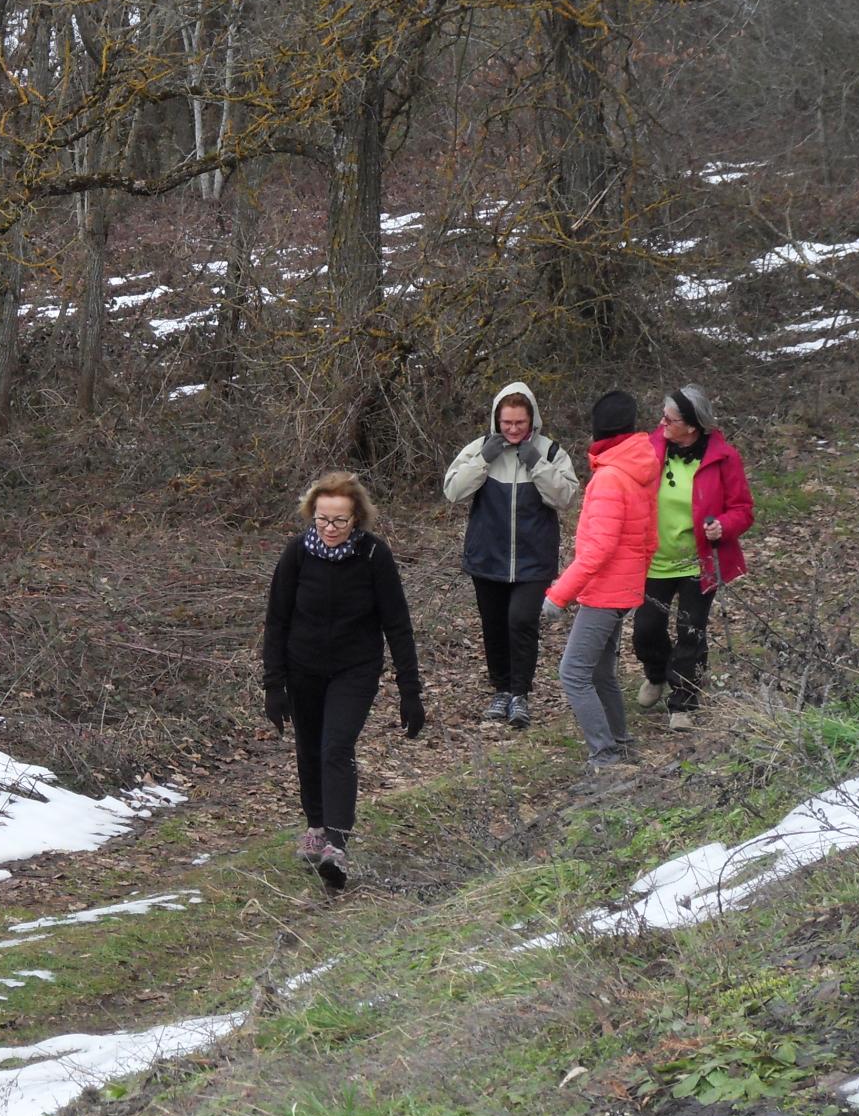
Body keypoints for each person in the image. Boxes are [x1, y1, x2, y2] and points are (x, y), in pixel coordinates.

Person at [261, 472, 425, 889]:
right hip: (303, 669)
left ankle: (336, 842)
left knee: (336, 747)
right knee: (309, 750)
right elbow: (277, 620)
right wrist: (273, 685)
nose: (330, 530)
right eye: (322, 520)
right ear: (311, 515)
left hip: (355, 669)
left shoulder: (373, 556)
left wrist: (410, 690)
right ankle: (316, 826)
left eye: (340, 521)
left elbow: (397, 623)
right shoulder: (298, 553)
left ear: (357, 519)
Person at [442, 380, 580, 730]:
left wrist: (536, 464)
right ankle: (501, 689)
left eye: (520, 423)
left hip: (534, 559)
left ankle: (520, 693)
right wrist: (484, 459)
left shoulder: (550, 452)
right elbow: (453, 491)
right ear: (496, 420)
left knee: (521, 621)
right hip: (488, 556)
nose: (514, 429)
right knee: (494, 626)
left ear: (532, 420)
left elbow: (565, 498)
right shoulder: (478, 448)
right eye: (507, 423)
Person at [543, 391, 659, 776]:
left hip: (606, 592)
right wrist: (631, 584)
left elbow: (597, 551)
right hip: (621, 589)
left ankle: (605, 758)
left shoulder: (611, 477)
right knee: (599, 673)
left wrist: (559, 595)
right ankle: (621, 745)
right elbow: (649, 540)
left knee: (573, 672)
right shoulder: (637, 468)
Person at [634, 384, 754, 731]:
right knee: (646, 630)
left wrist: (724, 526)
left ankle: (683, 701)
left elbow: (743, 510)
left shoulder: (724, 458)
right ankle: (656, 674)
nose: (662, 423)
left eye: (669, 420)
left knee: (691, 631)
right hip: (655, 559)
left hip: (698, 563)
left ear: (692, 425)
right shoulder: (654, 447)